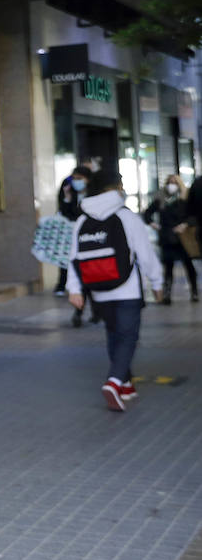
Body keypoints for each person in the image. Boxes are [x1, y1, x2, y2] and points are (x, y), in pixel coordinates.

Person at [67, 168, 163, 412]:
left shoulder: (82, 219)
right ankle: (114, 381)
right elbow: (145, 254)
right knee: (128, 336)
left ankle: (126, 385)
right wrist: (157, 283)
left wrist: (74, 289)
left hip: (98, 289)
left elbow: (74, 258)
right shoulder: (127, 217)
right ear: (114, 189)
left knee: (113, 334)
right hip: (127, 288)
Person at [144, 174, 198, 304]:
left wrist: (185, 224)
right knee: (168, 267)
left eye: (174, 182)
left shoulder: (185, 198)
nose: (172, 185)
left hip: (183, 238)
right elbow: (147, 214)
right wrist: (154, 225)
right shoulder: (161, 198)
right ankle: (167, 294)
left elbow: (194, 215)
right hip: (167, 237)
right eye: (169, 182)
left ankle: (194, 292)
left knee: (188, 265)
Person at [55, 165, 91, 298]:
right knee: (68, 258)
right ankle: (63, 285)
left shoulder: (94, 194)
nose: (77, 181)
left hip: (88, 232)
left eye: (79, 178)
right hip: (72, 233)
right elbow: (66, 212)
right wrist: (67, 198)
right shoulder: (70, 193)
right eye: (74, 179)